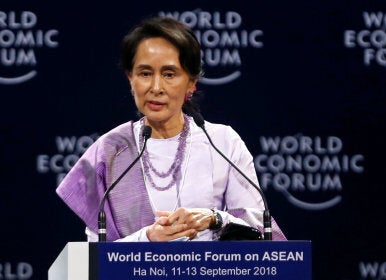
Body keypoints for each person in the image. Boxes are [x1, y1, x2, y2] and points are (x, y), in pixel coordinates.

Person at [56, 16, 286, 242]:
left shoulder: (222, 142)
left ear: (191, 83)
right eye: (145, 73)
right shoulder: (110, 150)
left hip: (213, 278)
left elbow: (260, 232)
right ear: (130, 78)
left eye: (169, 74)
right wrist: (147, 239)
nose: (156, 87)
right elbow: (95, 256)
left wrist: (215, 218)